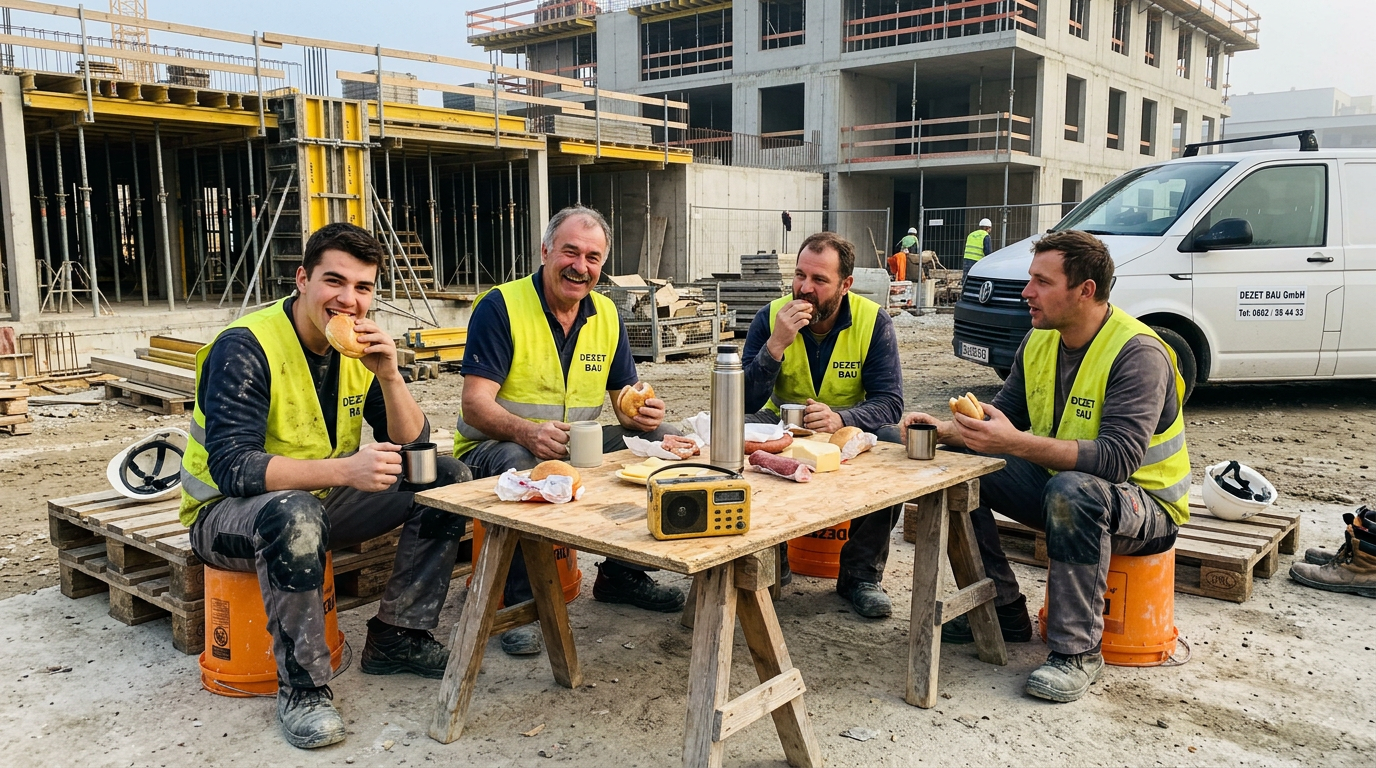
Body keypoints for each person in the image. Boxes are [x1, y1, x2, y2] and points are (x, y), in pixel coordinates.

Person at [179, 222, 473, 749]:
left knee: (444, 477)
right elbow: (233, 468)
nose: (348, 300)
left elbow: (415, 444)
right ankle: (304, 688)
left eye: (362, 288)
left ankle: (398, 635)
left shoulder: (357, 349)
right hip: (227, 517)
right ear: (302, 279)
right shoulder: (246, 347)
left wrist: (390, 374)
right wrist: (344, 471)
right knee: (293, 516)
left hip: (314, 502)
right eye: (334, 282)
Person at [901, 230, 1190, 702]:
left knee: (1075, 492)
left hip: (1146, 507)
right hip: (1066, 489)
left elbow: (1117, 459)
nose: (1026, 292)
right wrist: (943, 429)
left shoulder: (1138, 353)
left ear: (1085, 290)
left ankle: (1076, 652)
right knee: (961, 464)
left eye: (1041, 281)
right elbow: (1005, 423)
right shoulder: (1039, 342)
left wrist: (1016, 443)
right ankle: (998, 610)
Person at [455, 205, 686, 657]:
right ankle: (521, 603)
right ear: (545, 251)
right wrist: (526, 432)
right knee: (524, 465)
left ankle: (622, 573)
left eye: (593, 258)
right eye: (570, 252)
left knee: (663, 442)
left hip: (568, 445)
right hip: (493, 448)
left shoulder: (605, 315)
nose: (581, 267)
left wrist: (644, 415)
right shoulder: (500, 307)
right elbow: (474, 405)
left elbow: (624, 400)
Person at [741, 231, 905, 618]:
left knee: (893, 445)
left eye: (819, 280)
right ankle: (769, 559)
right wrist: (776, 345)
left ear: (845, 285)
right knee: (731, 432)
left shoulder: (872, 321)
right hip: (783, 421)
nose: (804, 289)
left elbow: (891, 402)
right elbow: (741, 400)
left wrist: (842, 418)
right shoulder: (771, 316)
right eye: (800, 276)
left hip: (848, 426)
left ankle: (860, 574)